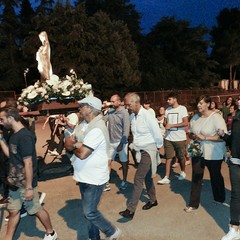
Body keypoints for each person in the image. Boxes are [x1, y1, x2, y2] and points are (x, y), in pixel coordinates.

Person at [64, 96, 121, 240]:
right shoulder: (84, 124)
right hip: (84, 175)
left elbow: (82, 153)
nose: (79, 109)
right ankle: (94, 236)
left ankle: (111, 231)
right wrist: (75, 144)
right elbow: (72, 139)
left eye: (82, 106)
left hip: (94, 178)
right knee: (89, 211)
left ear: (90, 108)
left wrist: (73, 146)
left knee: (89, 212)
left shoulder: (97, 128)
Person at [0, 107, 57, 240]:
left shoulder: (25, 136)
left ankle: (51, 232)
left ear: (11, 118)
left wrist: (29, 188)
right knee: (13, 211)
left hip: (25, 182)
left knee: (35, 209)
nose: (1, 122)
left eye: (2, 119)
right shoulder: (14, 135)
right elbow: (11, 156)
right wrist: (1, 140)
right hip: (14, 182)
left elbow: (29, 164)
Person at [119, 93, 163, 219]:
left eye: (128, 104)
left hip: (148, 150)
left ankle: (130, 210)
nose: (127, 107)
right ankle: (153, 200)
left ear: (136, 102)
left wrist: (156, 150)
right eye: (126, 105)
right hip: (139, 150)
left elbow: (157, 134)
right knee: (147, 177)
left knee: (138, 178)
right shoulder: (133, 116)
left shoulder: (148, 116)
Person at [184, 95, 227, 213]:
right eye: (198, 103)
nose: (199, 105)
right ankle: (193, 204)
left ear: (208, 104)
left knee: (215, 175)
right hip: (197, 150)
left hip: (213, 152)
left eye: (201, 103)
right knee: (196, 177)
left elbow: (222, 136)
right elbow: (191, 133)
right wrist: (192, 137)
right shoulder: (195, 117)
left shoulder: (216, 117)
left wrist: (205, 137)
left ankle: (219, 198)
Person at [158, 92, 188, 185]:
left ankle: (183, 171)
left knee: (181, 156)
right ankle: (167, 177)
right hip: (168, 137)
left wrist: (172, 125)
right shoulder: (167, 110)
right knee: (168, 157)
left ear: (175, 99)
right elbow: (165, 122)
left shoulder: (182, 109)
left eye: (169, 99)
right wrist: (165, 124)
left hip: (180, 137)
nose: (167, 101)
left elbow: (186, 123)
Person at [218, 112, 240, 240]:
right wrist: (224, 135)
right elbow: (234, 140)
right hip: (236, 162)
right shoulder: (237, 116)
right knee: (236, 195)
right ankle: (234, 229)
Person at [103, 94, 130, 191]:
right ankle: (106, 183)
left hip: (121, 142)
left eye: (113, 101)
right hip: (111, 141)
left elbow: (126, 130)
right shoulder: (110, 111)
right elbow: (102, 120)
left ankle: (124, 180)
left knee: (124, 162)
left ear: (119, 102)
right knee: (107, 161)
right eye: (111, 101)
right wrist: (103, 109)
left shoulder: (124, 113)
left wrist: (122, 144)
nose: (111, 103)